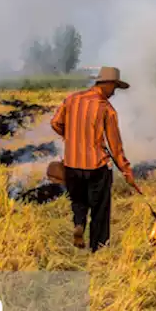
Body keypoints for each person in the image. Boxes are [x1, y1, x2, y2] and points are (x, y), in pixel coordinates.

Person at [49, 66, 139, 250]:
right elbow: (115, 146)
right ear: (107, 84)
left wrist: (71, 137)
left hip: (72, 164)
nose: (114, 93)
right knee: (100, 209)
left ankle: (79, 224)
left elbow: (55, 123)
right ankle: (99, 247)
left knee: (78, 200)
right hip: (97, 166)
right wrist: (126, 169)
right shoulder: (107, 109)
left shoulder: (72, 99)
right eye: (114, 87)